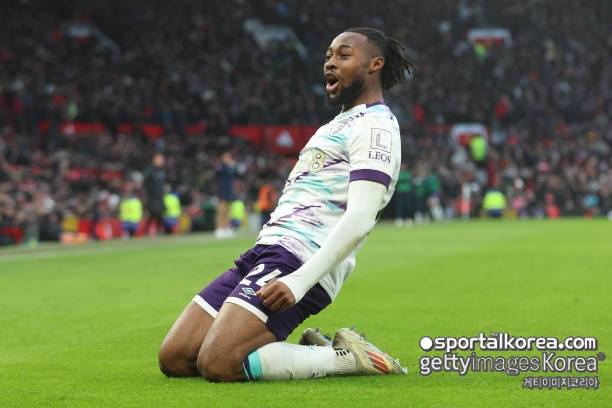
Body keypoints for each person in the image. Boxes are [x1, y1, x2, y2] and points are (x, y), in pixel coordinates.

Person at [158, 27, 415, 382]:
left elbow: (360, 217)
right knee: (175, 357)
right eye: (328, 55)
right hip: (266, 251)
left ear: (375, 65)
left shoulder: (377, 127)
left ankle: (346, 358)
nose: (330, 63)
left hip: (301, 258)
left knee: (219, 363)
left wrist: (299, 281)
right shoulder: (336, 125)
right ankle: (306, 352)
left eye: (344, 55)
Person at [214, 152, 237, 238]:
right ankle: (219, 229)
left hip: (229, 191)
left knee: (228, 211)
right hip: (222, 191)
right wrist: (229, 165)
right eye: (227, 157)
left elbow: (236, 174)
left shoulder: (230, 167)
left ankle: (227, 228)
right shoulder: (221, 167)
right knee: (222, 211)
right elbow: (218, 173)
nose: (229, 159)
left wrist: (232, 166)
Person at [143, 153, 166, 235]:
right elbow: (145, 183)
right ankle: (147, 230)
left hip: (160, 197)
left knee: (159, 213)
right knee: (154, 213)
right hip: (152, 197)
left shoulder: (162, 171)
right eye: (159, 159)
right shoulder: (150, 170)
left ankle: (160, 230)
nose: (161, 161)